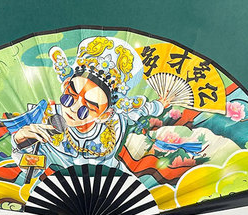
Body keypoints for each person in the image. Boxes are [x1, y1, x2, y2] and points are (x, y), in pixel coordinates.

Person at [10, 36, 172, 174]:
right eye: (69, 97)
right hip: (63, 187)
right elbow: (33, 169)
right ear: (66, 85)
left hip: (113, 181)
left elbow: (142, 109)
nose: (73, 109)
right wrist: (20, 141)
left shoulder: (115, 123)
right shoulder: (48, 120)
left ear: (105, 114)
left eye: (87, 108)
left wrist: (160, 104)